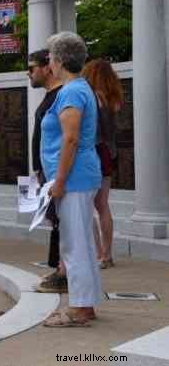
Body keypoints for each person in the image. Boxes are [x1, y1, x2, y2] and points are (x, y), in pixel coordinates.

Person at [42, 32, 102, 328]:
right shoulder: (78, 89)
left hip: (74, 179)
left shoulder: (71, 92)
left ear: (61, 60)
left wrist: (60, 180)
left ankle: (80, 308)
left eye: (51, 57)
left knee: (74, 244)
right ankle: (85, 304)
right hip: (80, 176)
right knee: (81, 243)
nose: (48, 63)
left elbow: (71, 138)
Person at [28, 49, 67, 294]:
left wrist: (57, 175)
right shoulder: (50, 96)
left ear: (47, 67)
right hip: (47, 171)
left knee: (64, 223)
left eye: (31, 68)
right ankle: (60, 270)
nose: (28, 73)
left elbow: (69, 138)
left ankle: (64, 274)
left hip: (58, 172)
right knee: (56, 221)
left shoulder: (62, 96)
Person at [82, 58, 123, 270]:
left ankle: (99, 253)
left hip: (95, 150)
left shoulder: (93, 96)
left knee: (89, 203)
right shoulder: (114, 98)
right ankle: (107, 254)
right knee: (103, 205)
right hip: (110, 152)